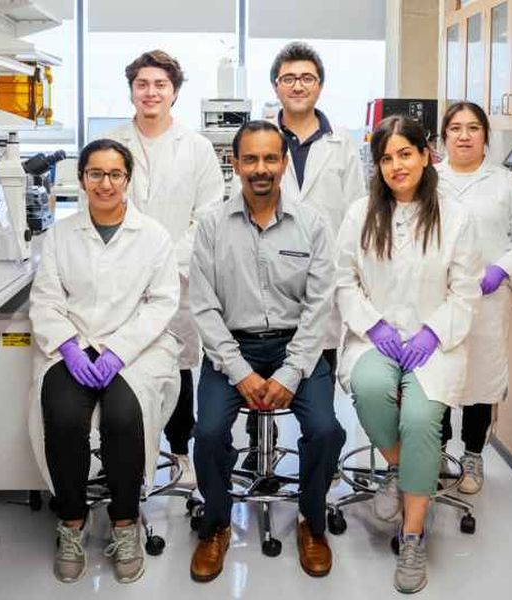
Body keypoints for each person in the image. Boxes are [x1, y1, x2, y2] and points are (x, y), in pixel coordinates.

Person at [189, 121, 345, 582]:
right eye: (251, 159)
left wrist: (290, 373)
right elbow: (203, 305)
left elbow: (319, 308)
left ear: (283, 165)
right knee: (211, 432)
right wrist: (239, 371)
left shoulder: (312, 224)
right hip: (230, 346)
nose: (261, 169)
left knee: (325, 430)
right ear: (234, 164)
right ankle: (215, 522)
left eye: (271, 159)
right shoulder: (213, 225)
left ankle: (311, 521)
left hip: (295, 345)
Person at [335, 116, 482, 593]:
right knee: (371, 388)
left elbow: (465, 293)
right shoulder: (361, 213)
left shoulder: (455, 217)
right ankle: (402, 469)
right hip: (376, 336)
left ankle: (413, 534)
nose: (396, 165)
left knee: (420, 419)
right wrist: (372, 323)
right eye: (386, 157)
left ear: (425, 154)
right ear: (377, 165)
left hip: (433, 344)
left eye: (405, 154)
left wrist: (433, 334)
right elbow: (343, 279)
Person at [28, 139, 180, 584]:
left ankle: (125, 524)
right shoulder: (61, 235)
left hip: (135, 348)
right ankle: (71, 523)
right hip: (72, 345)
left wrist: (117, 353)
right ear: (81, 180)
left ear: (128, 181)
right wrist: (71, 348)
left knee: (123, 415)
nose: (105, 183)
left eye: (115, 174)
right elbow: (46, 301)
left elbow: (162, 302)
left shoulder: (153, 236)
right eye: (96, 173)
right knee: (62, 414)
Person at [240, 41, 365, 469]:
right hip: (264, 280)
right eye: (288, 78)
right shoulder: (262, 138)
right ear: (276, 86)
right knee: (261, 376)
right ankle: (262, 457)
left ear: (320, 86)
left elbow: (355, 214)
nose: (298, 85)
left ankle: (319, 472)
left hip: (321, 280)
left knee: (317, 381)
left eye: (307, 77)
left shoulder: (341, 143)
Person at [106, 50, 225, 487]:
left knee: (177, 365)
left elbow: (209, 214)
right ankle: (127, 456)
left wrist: (167, 262)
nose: (150, 92)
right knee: (127, 363)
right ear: (132, 90)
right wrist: (132, 262)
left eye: (160, 84)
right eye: (142, 84)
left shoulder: (196, 148)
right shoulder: (113, 144)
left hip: (178, 275)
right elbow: (101, 203)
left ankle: (179, 453)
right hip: (121, 275)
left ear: (174, 91)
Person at [436, 101, 512, 494]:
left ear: (485, 137)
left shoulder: (506, 184)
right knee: (438, 378)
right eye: (455, 128)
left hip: (486, 301)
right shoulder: (429, 181)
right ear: (443, 136)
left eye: (473, 128)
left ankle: (472, 457)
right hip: (438, 300)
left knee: (480, 382)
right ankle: (438, 453)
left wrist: (502, 268)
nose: (464, 136)